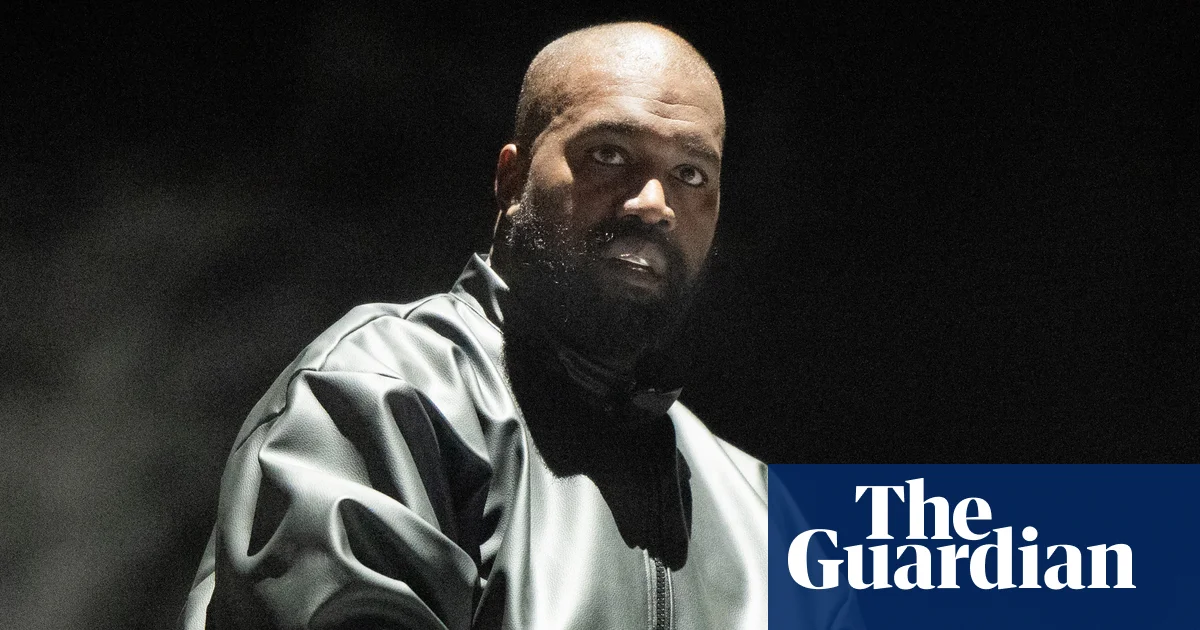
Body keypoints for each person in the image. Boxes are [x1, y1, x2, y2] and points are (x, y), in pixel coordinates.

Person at [181, 21, 855, 630]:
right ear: (511, 179)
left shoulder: (766, 509)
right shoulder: (382, 391)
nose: (654, 202)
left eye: (691, 172)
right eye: (609, 154)